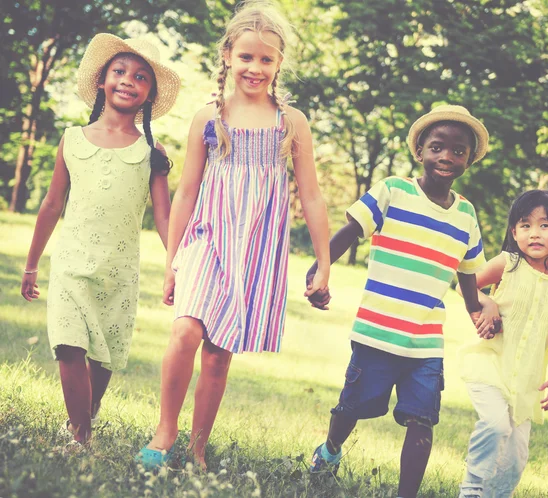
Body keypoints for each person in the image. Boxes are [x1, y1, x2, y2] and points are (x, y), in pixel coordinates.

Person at [137, 0, 330, 470]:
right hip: (208, 239)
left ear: (279, 63)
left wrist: (324, 264)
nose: (255, 67)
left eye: (266, 59)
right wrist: (173, 261)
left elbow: (312, 196)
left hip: (258, 251)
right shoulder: (209, 116)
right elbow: (185, 194)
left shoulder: (292, 122)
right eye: (246, 57)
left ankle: (199, 448)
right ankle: (166, 430)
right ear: (227, 56)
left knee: (220, 353)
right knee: (186, 330)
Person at [306, 105, 491, 498]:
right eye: (438, 147)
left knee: (423, 419)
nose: (446, 157)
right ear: (420, 149)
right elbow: (352, 231)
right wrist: (320, 268)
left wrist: (478, 307)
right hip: (377, 331)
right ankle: (331, 450)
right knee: (351, 408)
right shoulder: (394, 190)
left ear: (468, 160)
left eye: (458, 151)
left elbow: (469, 272)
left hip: (426, 342)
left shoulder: (466, 215)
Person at [20, 34, 179, 448]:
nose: (129, 80)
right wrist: (32, 264)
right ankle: (81, 435)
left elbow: (164, 215)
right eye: (120, 72)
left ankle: (86, 414)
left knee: (103, 356)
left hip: (119, 271)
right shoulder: (72, 139)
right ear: (102, 81)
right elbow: (52, 204)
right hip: (71, 262)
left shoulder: (150, 151)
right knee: (67, 343)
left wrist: (176, 264)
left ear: (149, 94)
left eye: (141, 77)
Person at [457, 189, 548, 498]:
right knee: (496, 425)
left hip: (526, 380)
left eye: (544, 225)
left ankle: (495, 495)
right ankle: (471, 488)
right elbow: (466, 287)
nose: (534, 233)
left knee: (515, 457)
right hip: (490, 364)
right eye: (525, 225)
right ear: (514, 232)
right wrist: (486, 304)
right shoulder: (508, 263)